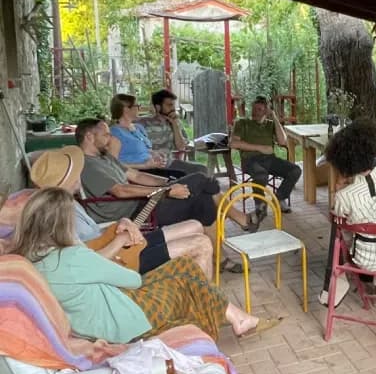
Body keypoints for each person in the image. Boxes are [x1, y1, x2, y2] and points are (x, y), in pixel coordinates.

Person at [12, 188, 281, 342]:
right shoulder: (70, 257)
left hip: (100, 317)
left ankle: (236, 317)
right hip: (126, 321)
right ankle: (230, 317)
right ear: (63, 225)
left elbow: (89, 267)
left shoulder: (34, 257)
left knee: (185, 269)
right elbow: (133, 280)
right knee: (186, 271)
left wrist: (116, 240)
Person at [75, 119, 259, 256]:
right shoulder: (87, 165)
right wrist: (167, 191)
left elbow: (136, 176)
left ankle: (219, 258)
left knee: (204, 199)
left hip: (144, 204)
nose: (110, 139)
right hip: (133, 216)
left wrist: (166, 183)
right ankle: (241, 219)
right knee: (201, 180)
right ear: (90, 137)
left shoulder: (104, 158)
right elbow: (120, 190)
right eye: (106, 134)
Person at [31, 146, 215, 279]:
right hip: (120, 261)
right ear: (69, 180)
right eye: (77, 172)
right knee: (201, 243)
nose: (81, 174)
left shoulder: (68, 201)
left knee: (195, 225)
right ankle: (208, 305)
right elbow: (88, 261)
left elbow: (94, 237)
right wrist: (120, 239)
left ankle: (199, 292)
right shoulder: (59, 215)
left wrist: (122, 224)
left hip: (121, 244)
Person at [318, 119, 376, 306]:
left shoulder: (346, 196)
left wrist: (339, 189)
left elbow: (334, 219)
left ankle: (338, 282)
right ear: (373, 149)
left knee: (343, 229)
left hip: (363, 259)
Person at [231, 96, 302, 213]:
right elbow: (233, 143)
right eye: (254, 109)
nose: (255, 112)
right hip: (250, 160)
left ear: (266, 111)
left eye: (259, 109)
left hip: (269, 159)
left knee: (295, 170)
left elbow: (283, 141)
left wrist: (274, 117)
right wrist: (260, 148)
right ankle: (259, 203)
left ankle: (279, 198)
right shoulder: (242, 123)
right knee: (261, 174)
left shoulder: (270, 125)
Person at [107, 94, 183, 178]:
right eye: (137, 105)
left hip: (152, 168)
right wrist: (144, 165)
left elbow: (146, 149)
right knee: (183, 177)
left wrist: (156, 153)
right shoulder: (114, 133)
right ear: (126, 109)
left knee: (187, 174)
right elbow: (112, 164)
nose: (140, 108)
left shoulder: (138, 128)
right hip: (135, 174)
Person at [137, 89, 207, 175]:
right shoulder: (143, 123)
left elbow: (181, 147)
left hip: (170, 163)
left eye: (173, 105)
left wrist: (174, 124)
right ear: (158, 107)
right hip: (150, 166)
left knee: (201, 169)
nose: (173, 108)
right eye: (169, 105)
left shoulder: (176, 122)